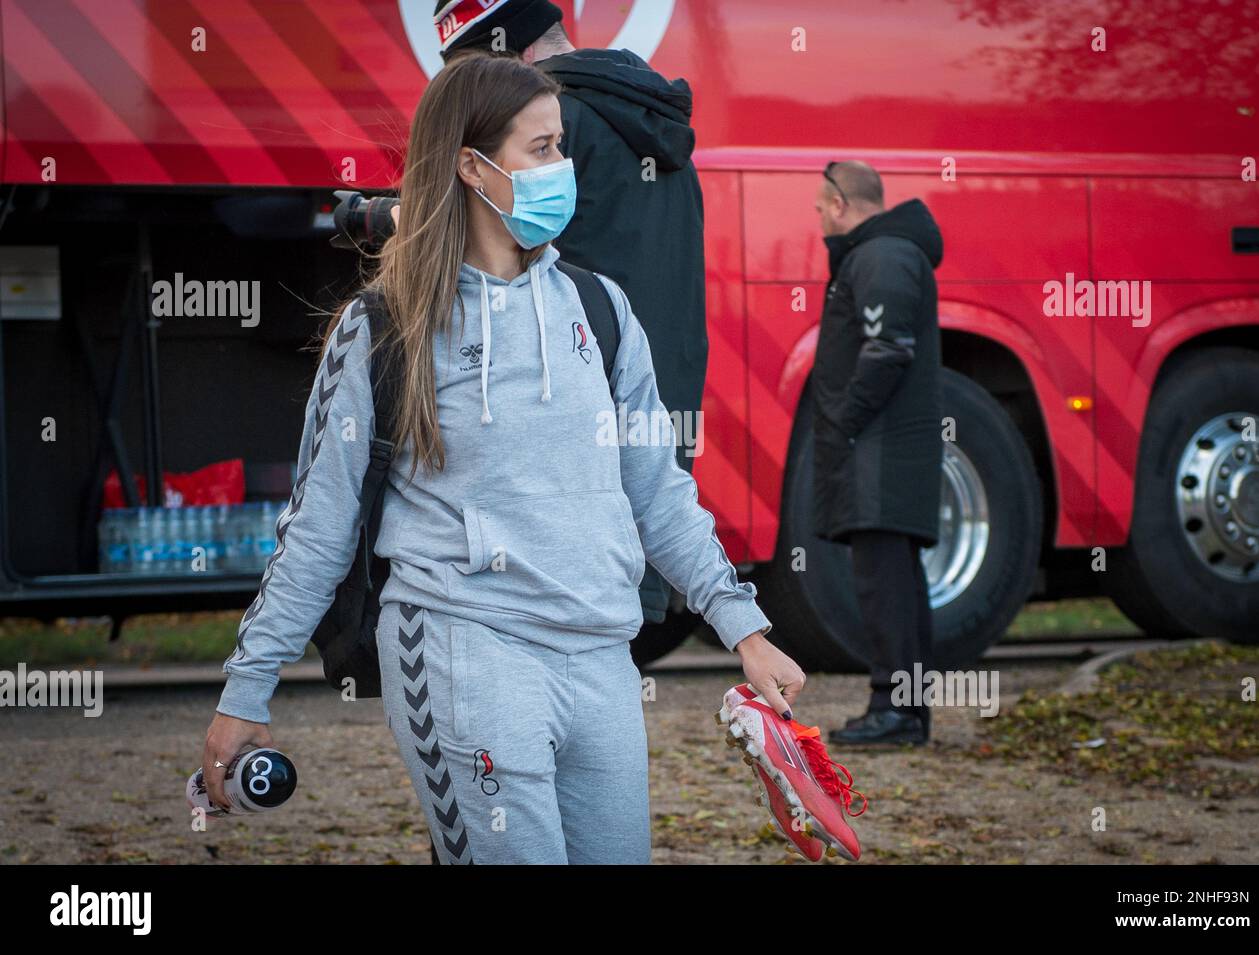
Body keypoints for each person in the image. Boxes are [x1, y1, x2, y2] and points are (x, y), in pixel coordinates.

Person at [201, 53, 802, 865]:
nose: (565, 170)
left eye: (563, 147)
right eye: (543, 149)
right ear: (471, 166)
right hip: (463, 650)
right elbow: (318, 527)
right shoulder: (384, 327)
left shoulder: (603, 309)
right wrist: (248, 689)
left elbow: (658, 492)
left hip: (601, 657)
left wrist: (746, 628)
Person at [390, 0, 708, 628]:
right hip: (648, 400)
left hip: (569, 422)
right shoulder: (653, 122)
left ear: (517, 56)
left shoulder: (552, 129)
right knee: (615, 628)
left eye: (481, 73)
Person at [808, 161, 945, 747]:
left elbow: (888, 348)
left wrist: (844, 416)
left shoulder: (882, 255)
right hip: (884, 452)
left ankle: (895, 710)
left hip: (880, 454)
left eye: (819, 208)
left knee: (884, 584)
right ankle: (905, 711)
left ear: (840, 204)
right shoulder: (885, 253)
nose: (817, 220)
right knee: (897, 583)